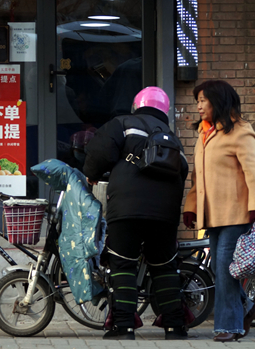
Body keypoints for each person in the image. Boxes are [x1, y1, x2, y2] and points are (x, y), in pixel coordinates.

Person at [83, 86, 190, 340]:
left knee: (123, 263)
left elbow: (100, 154)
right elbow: (183, 172)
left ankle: (124, 327)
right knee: (164, 266)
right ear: (164, 110)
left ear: (137, 105)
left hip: (127, 209)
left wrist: (92, 175)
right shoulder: (172, 138)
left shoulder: (122, 123)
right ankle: (175, 327)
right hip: (165, 214)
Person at [183, 80, 255, 342]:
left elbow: (254, 174)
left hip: (236, 213)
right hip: (213, 215)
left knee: (225, 269)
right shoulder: (204, 134)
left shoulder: (241, 132)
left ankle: (229, 326)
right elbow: (199, 177)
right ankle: (244, 308)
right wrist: (192, 208)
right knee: (222, 270)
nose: (198, 106)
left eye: (202, 101)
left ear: (217, 101)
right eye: (197, 101)